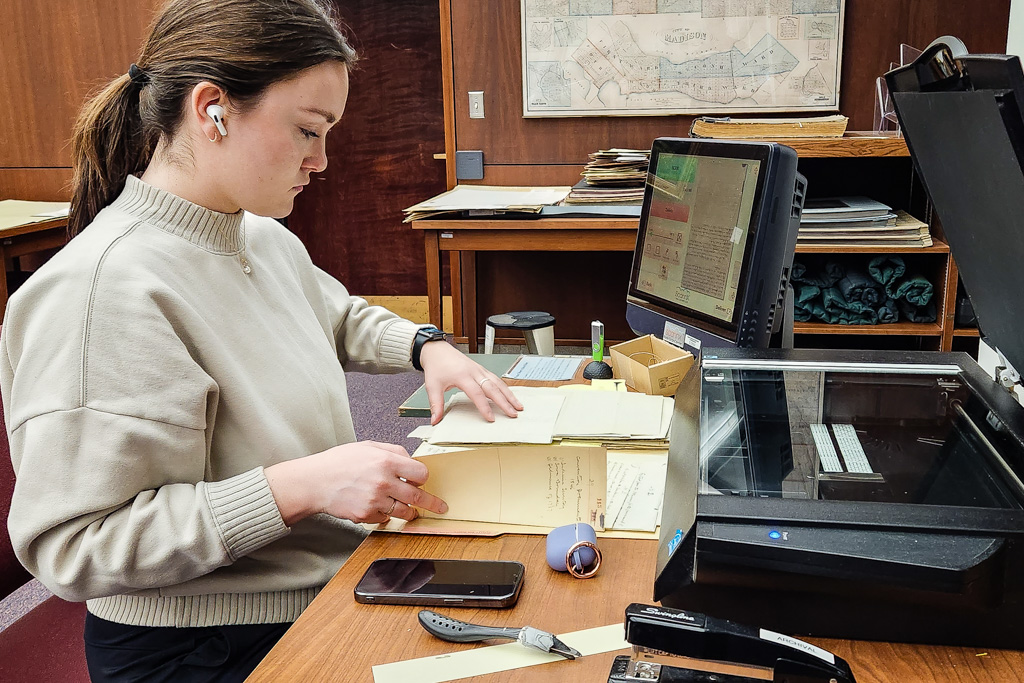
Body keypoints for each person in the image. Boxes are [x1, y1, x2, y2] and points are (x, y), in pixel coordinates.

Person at [0, 0, 522, 680]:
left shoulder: (255, 234)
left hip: (320, 583)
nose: (323, 159)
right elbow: (77, 545)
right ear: (212, 108)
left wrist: (429, 346)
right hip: (205, 644)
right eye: (309, 129)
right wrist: (301, 486)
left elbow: (335, 316)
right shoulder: (103, 290)